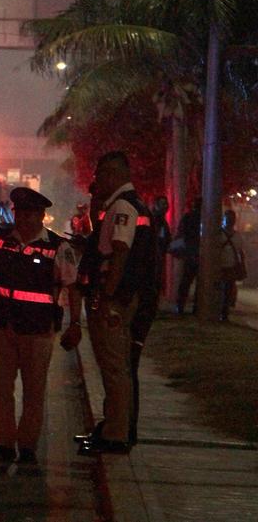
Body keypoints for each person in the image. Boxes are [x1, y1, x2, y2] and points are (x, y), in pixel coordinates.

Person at [0, 187, 77, 465]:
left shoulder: (57, 247)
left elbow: (72, 286)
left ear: (41, 216)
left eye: (29, 214)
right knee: (1, 389)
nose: (23, 219)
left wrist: (75, 323)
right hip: (3, 326)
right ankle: (3, 443)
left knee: (34, 391)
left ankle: (27, 446)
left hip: (38, 329)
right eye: (20, 213)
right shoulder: (2, 242)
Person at [76, 151, 157, 456]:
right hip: (122, 297)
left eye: (100, 175)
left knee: (114, 368)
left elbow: (120, 252)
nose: (97, 181)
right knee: (116, 367)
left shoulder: (122, 206)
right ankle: (113, 427)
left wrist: (107, 295)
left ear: (112, 174)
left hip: (115, 300)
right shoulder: (127, 204)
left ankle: (115, 434)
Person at [174, 198, 202, 314]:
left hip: (190, 252)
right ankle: (197, 306)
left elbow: (181, 231)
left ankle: (180, 305)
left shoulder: (188, 216)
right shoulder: (205, 217)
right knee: (200, 282)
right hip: (200, 252)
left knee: (186, 280)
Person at [219, 210, 247, 322]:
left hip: (228, 266)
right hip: (223, 266)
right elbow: (241, 253)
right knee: (225, 290)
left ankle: (224, 313)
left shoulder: (233, 236)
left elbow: (240, 252)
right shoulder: (233, 236)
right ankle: (223, 313)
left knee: (226, 290)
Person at [151, 196, 171, 297]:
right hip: (154, 257)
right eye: (163, 204)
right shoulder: (156, 219)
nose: (166, 206)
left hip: (157, 256)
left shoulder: (161, 220)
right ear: (156, 205)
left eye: (166, 203)